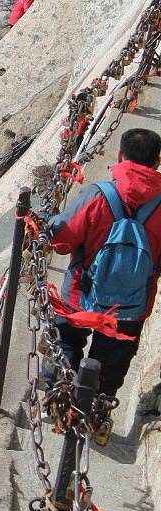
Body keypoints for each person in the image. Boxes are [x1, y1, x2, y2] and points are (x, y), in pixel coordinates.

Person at [44, 128, 161, 411]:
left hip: (81, 295)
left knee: (67, 344)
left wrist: (50, 223)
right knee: (111, 362)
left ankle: (58, 398)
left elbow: (62, 240)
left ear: (120, 156)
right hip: (132, 304)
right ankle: (97, 409)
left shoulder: (98, 195)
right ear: (157, 162)